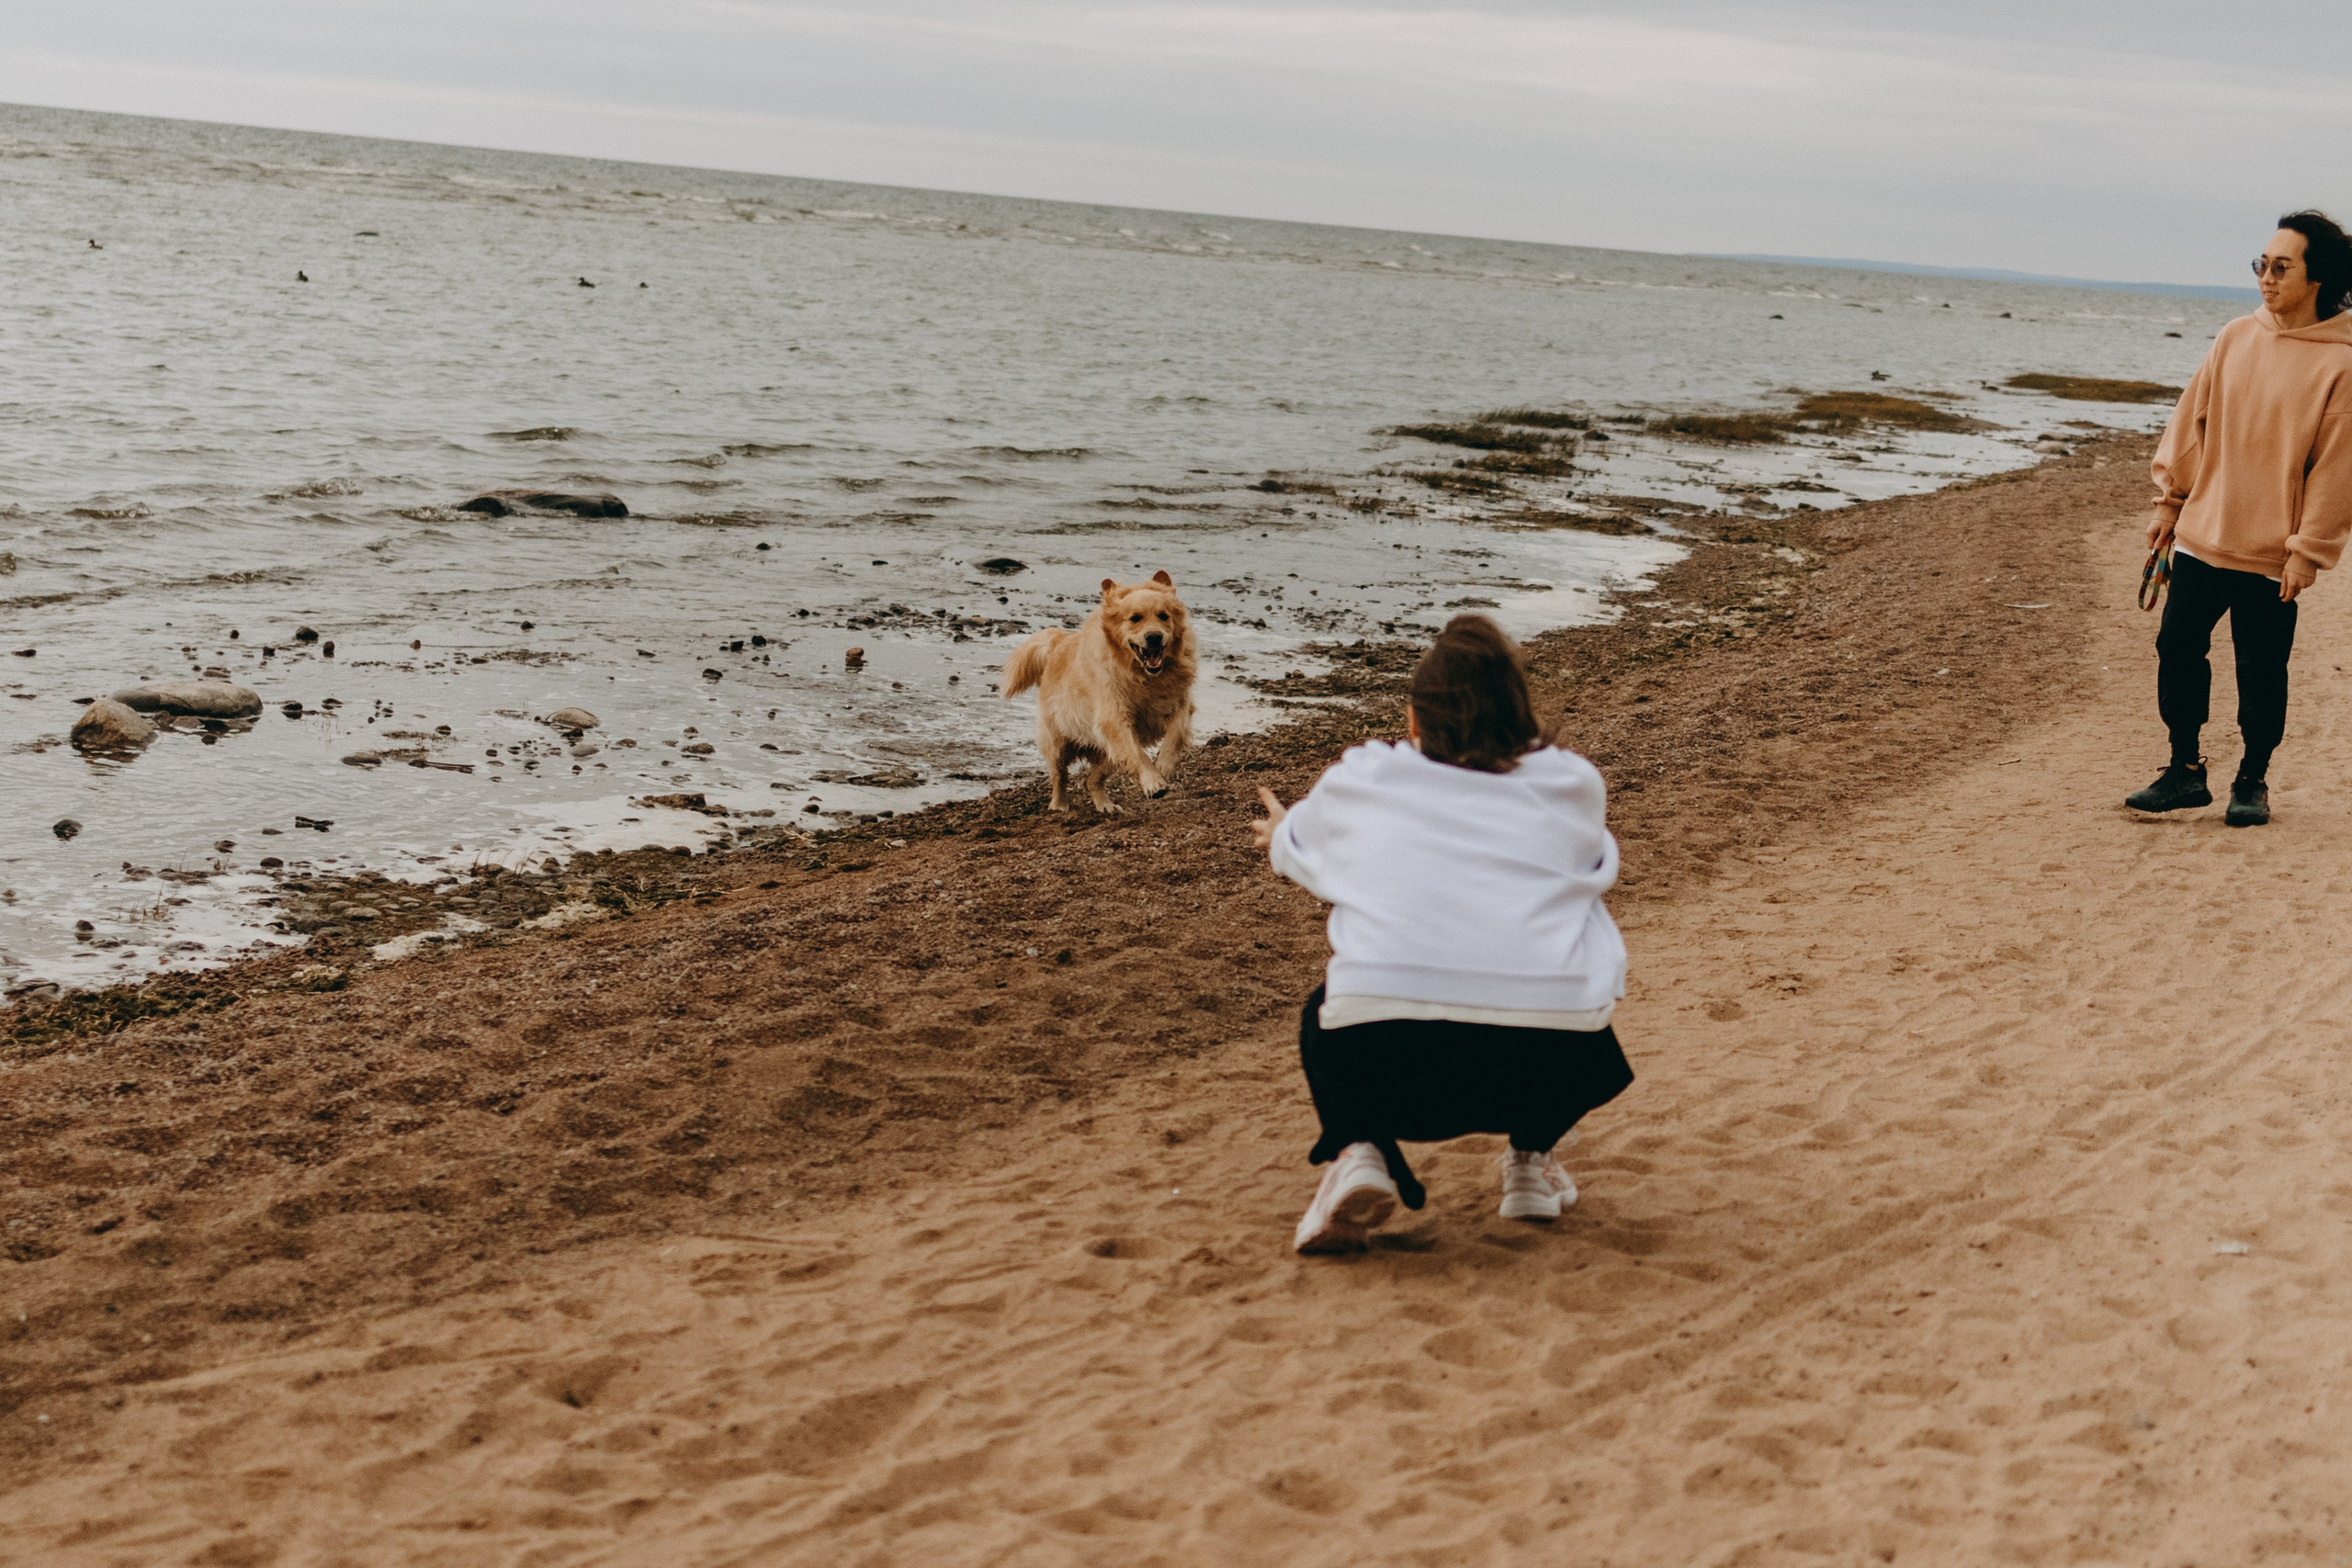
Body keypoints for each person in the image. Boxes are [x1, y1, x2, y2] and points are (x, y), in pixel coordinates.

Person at [1250, 615, 1633, 1254]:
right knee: (1572, 993)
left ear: (1414, 721)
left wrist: (1283, 831)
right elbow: (1587, 862)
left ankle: (1360, 1149)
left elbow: (1301, 849)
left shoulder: (1367, 777)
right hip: (1541, 1064)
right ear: (1518, 711)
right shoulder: (1572, 785)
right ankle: (1528, 1162)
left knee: (1326, 1013)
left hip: (1391, 1068)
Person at [2130, 209, 2352, 827]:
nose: (2266, 277)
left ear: (2317, 279)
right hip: (2202, 537)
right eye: (2262, 264)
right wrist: (2169, 505)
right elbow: (2190, 422)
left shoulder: (2342, 363)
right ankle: (2185, 771)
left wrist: (2308, 550)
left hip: (2270, 551)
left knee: (2260, 670)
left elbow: (2338, 470)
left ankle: (2252, 780)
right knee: (2176, 647)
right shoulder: (2235, 336)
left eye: (2282, 267)